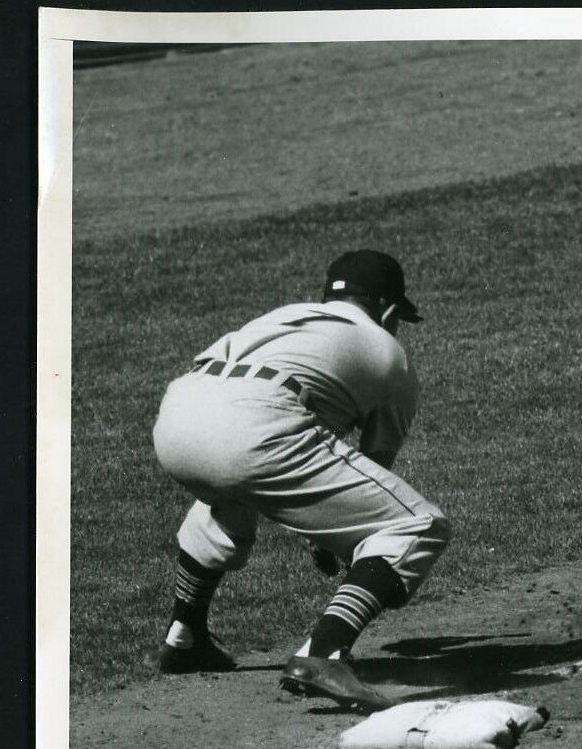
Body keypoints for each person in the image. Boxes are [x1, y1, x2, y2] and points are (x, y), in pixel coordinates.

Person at [149, 249, 450, 712]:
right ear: (389, 311)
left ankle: (184, 636)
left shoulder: (282, 318)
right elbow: (375, 469)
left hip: (177, 418)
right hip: (256, 422)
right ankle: (323, 653)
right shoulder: (388, 352)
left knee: (230, 487)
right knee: (418, 526)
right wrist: (333, 537)